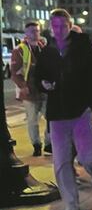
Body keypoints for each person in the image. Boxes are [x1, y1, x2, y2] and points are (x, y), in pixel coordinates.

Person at [34, 9, 92, 210]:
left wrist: (90, 103)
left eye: (63, 26)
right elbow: (38, 76)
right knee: (61, 163)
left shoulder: (83, 48)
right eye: (55, 26)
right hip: (57, 115)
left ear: (70, 26)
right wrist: (43, 84)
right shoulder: (47, 51)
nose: (59, 30)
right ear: (50, 27)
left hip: (80, 112)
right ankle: (72, 207)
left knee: (87, 157)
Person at [11, 21, 48, 157]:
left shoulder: (43, 48)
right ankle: (37, 145)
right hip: (29, 91)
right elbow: (15, 72)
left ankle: (48, 144)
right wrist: (23, 86)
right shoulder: (20, 50)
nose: (35, 33)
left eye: (37, 30)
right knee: (32, 121)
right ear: (26, 33)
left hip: (44, 90)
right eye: (32, 31)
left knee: (51, 118)